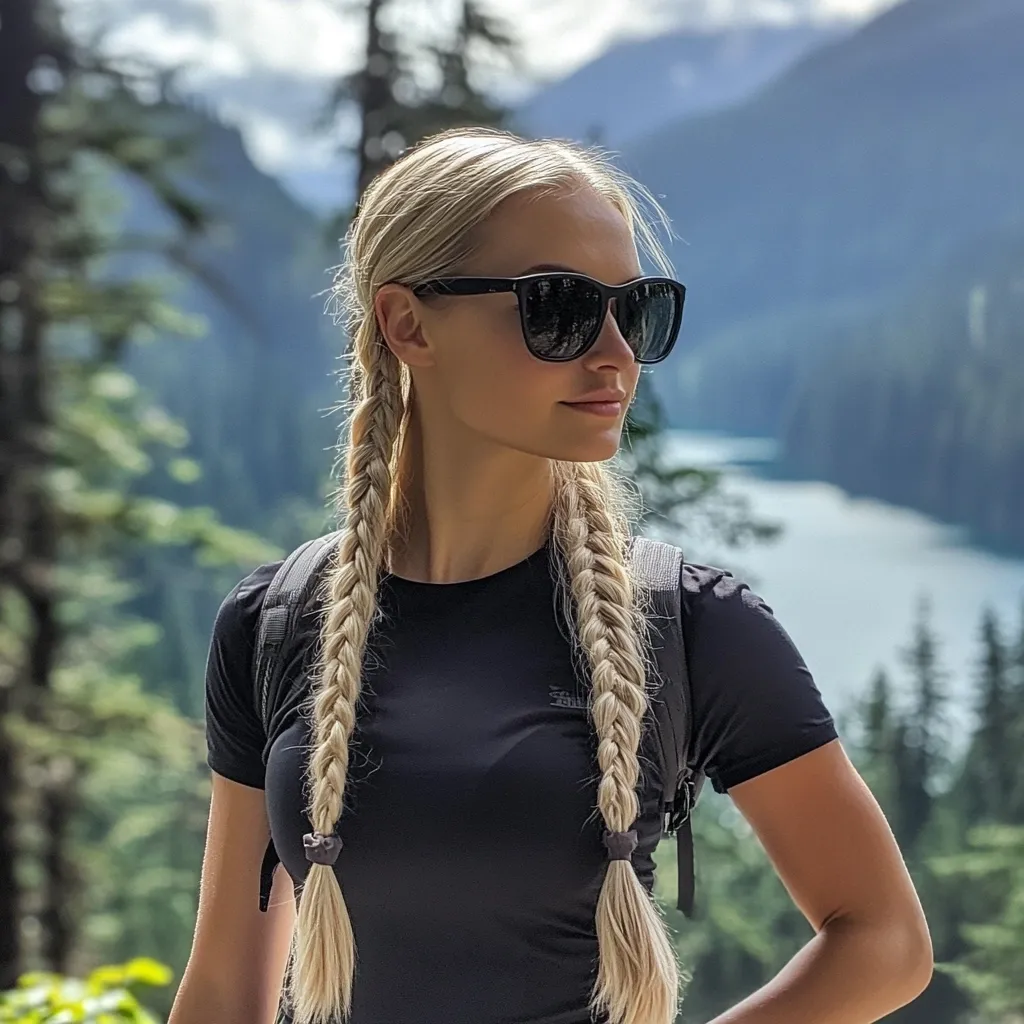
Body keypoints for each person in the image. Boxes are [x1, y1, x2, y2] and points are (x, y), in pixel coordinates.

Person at [168, 127, 933, 1024]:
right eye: (560, 307)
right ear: (408, 323)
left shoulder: (689, 623)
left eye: (638, 310)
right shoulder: (276, 622)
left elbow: (884, 939)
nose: (613, 354)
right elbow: (225, 989)